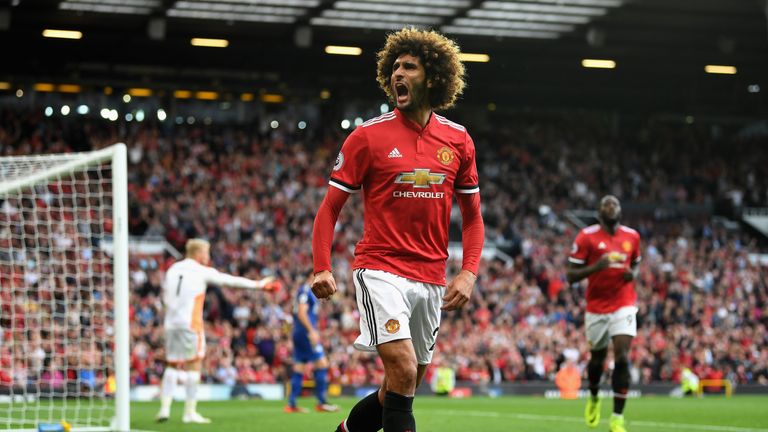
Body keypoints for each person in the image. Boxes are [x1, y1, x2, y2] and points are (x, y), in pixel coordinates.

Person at [311, 27, 485, 432]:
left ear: (434, 77)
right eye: (394, 67)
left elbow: (473, 216)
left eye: (409, 66)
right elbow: (330, 207)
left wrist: (469, 270)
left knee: (402, 385)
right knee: (405, 367)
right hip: (380, 270)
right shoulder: (367, 136)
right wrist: (322, 265)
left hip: (431, 277)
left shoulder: (458, 140)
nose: (397, 74)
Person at [155, 238, 276, 424]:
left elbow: (165, 297)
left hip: (171, 323)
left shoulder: (173, 269)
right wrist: (259, 285)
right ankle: (189, 412)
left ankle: (164, 409)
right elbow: (230, 281)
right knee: (193, 365)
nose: (208, 256)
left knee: (172, 365)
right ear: (198, 253)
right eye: (206, 252)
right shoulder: (200, 271)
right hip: (190, 324)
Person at [567, 195, 641, 432]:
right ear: (599, 212)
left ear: (620, 210)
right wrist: (597, 267)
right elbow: (570, 276)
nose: (611, 208)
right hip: (596, 306)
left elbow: (636, 263)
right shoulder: (586, 237)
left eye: (615, 205)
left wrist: (633, 274)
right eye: (606, 205)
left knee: (622, 355)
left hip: (624, 302)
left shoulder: (632, 236)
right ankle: (595, 395)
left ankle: (617, 418)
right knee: (597, 360)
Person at [285, 273, 340, 413]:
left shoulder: (307, 292)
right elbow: (302, 313)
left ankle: (291, 404)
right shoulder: (305, 290)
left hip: (299, 332)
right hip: (305, 333)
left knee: (300, 366)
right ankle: (321, 402)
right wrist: (311, 331)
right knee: (322, 364)